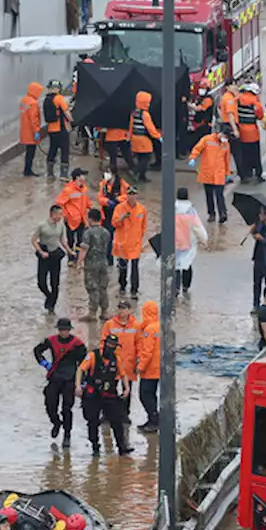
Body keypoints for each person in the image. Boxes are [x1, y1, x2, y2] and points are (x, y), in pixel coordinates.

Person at [75, 333, 133, 457]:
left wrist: (127, 388)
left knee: (117, 421)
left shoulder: (116, 359)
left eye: (114, 345)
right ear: (104, 343)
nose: (111, 347)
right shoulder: (93, 355)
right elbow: (80, 369)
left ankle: (122, 448)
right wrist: (78, 387)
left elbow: (123, 374)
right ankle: (95, 447)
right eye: (109, 344)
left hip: (110, 394)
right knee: (92, 421)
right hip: (93, 395)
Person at [34, 318, 86, 444]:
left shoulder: (77, 344)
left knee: (67, 408)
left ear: (69, 330)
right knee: (50, 405)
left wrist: (82, 381)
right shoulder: (51, 341)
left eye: (66, 330)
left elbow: (84, 364)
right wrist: (44, 363)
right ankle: (56, 423)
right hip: (55, 378)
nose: (64, 332)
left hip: (70, 379)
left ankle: (67, 434)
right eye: (61, 330)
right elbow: (37, 350)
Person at [189, 123, 233, 223]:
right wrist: (193, 158)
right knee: (209, 195)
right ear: (220, 133)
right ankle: (211, 213)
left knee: (219, 195)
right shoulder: (207, 139)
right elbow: (197, 148)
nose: (225, 139)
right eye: (225, 136)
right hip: (207, 172)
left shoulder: (226, 145)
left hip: (219, 173)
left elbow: (227, 159)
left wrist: (227, 173)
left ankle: (223, 213)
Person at [32, 204, 71, 314]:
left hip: (55, 255)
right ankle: (49, 297)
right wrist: (41, 251)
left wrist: (69, 251)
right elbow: (34, 240)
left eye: (61, 214)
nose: (60, 216)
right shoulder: (42, 225)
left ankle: (51, 306)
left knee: (55, 283)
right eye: (57, 214)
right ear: (51, 214)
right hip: (44, 255)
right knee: (41, 282)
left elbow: (63, 240)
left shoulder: (61, 225)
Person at [78, 209, 113, 320]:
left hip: (91, 264)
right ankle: (105, 311)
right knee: (103, 287)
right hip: (103, 263)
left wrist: (79, 262)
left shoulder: (88, 232)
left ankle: (92, 313)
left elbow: (84, 249)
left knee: (92, 287)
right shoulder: (106, 232)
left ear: (90, 219)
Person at [112, 191, 147, 299]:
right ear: (127, 195)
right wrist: (121, 218)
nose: (132, 196)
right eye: (130, 194)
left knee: (135, 267)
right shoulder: (119, 208)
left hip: (135, 243)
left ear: (137, 195)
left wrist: (140, 238)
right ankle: (122, 286)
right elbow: (114, 223)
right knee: (123, 267)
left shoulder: (142, 209)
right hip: (123, 243)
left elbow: (143, 226)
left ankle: (134, 290)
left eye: (134, 194)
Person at [174, 187, 208, 294]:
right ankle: (185, 286)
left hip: (174, 242)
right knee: (187, 264)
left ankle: (175, 287)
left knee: (175, 265)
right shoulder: (191, 211)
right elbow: (197, 227)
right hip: (188, 243)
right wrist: (204, 239)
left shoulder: (172, 209)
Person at [55, 167, 90, 261]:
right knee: (70, 240)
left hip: (82, 219)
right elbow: (59, 203)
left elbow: (86, 201)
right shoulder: (68, 190)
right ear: (78, 177)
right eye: (83, 175)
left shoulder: (84, 188)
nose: (85, 177)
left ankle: (78, 259)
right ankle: (71, 259)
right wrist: (65, 215)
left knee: (80, 241)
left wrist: (90, 208)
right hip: (71, 220)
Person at [135, 301, 160, 432]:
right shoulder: (160, 327)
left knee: (144, 395)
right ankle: (154, 419)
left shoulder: (149, 330)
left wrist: (140, 367)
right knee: (152, 395)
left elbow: (147, 351)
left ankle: (154, 420)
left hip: (150, 369)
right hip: (159, 368)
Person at [98, 170, 131, 265]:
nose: (106, 174)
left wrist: (118, 199)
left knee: (121, 238)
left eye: (108, 172)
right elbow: (100, 198)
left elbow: (129, 194)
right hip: (107, 214)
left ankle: (121, 260)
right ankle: (109, 259)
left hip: (120, 214)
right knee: (108, 237)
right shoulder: (103, 184)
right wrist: (107, 201)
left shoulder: (122, 183)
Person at [42, 80, 73, 180]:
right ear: (58, 89)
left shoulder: (46, 99)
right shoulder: (59, 98)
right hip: (61, 130)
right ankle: (63, 174)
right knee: (64, 151)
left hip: (51, 130)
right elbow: (66, 112)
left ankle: (50, 173)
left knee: (52, 150)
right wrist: (72, 120)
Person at [128, 91, 160, 182]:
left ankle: (142, 177)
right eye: (148, 102)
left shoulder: (134, 113)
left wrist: (129, 137)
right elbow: (150, 128)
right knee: (146, 158)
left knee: (139, 157)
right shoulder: (145, 114)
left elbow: (131, 126)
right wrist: (158, 136)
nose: (149, 104)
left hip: (135, 138)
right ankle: (136, 171)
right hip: (144, 140)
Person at [237, 82, 266, 182]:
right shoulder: (255, 102)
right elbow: (260, 116)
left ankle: (246, 172)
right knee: (255, 154)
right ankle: (258, 174)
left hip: (241, 131)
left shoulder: (238, 98)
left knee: (244, 154)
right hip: (252, 133)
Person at [19, 81, 44, 177]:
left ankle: (27, 169)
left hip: (24, 131)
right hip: (31, 132)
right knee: (31, 152)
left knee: (28, 152)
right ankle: (28, 171)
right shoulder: (33, 103)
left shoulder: (24, 100)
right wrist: (36, 132)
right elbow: (34, 119)